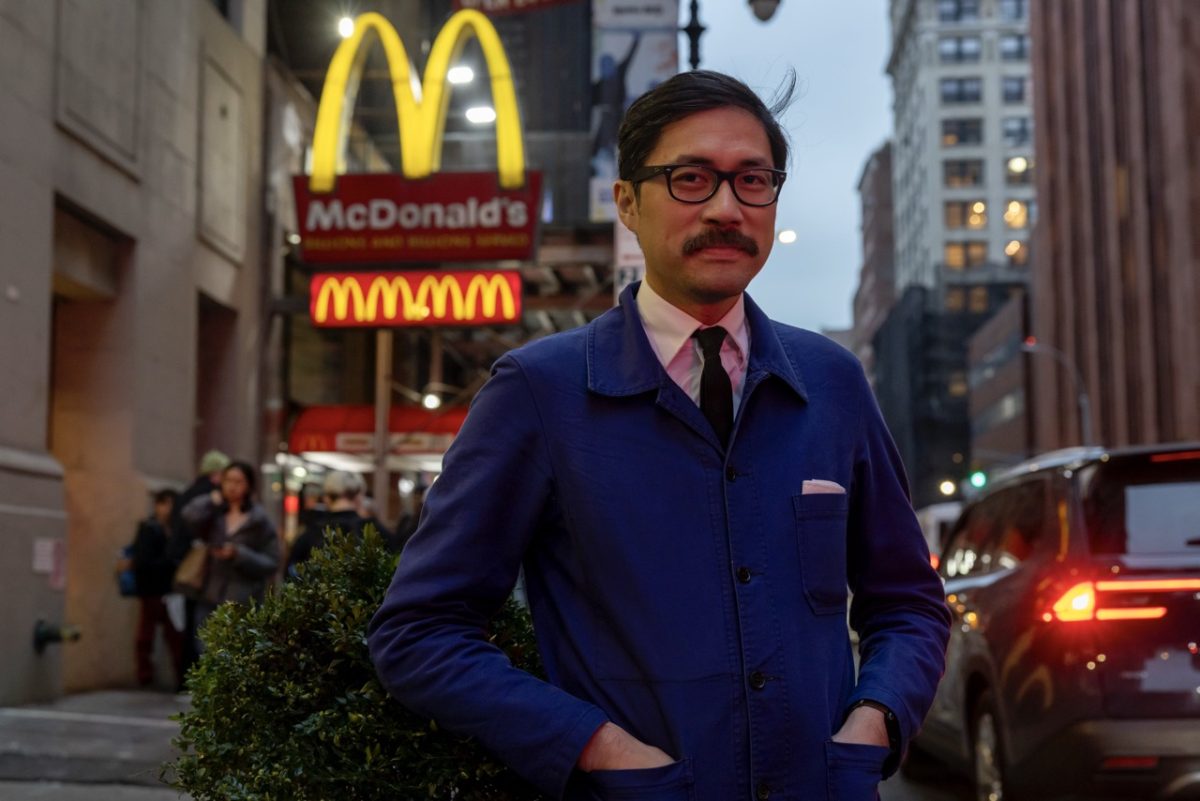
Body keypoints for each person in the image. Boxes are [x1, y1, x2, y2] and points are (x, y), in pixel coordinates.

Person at [368, 70, 951, 801]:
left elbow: (908, 601)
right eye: (690, 178)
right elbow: (419, 631)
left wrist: (875, 720)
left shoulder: (831, 382)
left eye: (753, 180)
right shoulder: (540, 390)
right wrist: (592, 746)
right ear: (627, 204)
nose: (725, 207)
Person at [181, 460, 279, 649]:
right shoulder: (214, 512)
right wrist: (211, 500)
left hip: (243, 601)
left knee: (236, 655)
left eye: (239, 481)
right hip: (209, 595)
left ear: (249, 485)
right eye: (228, 480)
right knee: (205, 652)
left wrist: (239, 554)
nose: (232, 486)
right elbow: (188, 516)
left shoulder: (259, 520)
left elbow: (272, 561)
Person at [167, 449, 230, 679]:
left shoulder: (187, 492)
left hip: (184, 565)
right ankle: (200, 675)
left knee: (187, 622)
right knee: (205, 622)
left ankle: (184, 675)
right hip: (204, 566)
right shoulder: (213, 496)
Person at [124, 488, 184, 687]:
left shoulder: (176, 530)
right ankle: (145, 675)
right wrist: (169, 563)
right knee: (147, 635)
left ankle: (179, 676)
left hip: (170, 590)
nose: (167, 509)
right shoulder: (149, 528)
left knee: (173, 636)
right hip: (151, 589)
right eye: (164, 503)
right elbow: (143, 559)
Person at [286, 470, 392, 577]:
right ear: (359, 497)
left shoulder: (311, 533)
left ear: (326, 498)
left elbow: (291, 573)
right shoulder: (374, 532)